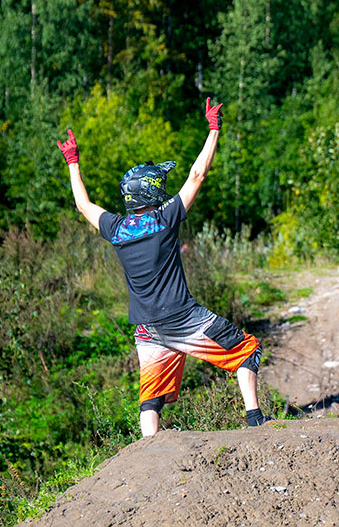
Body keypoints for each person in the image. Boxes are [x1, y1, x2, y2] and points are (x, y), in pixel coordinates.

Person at [56, 98, 270, 436]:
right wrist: (214, 129)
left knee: (151, 397)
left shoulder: (116, 228)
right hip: (182, 318)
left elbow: (83, 206)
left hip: (147, 328)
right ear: (153, 190)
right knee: (247, 350)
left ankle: (148, 455)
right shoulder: (165, 217)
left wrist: (72, 162)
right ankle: (256, 420)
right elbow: (197, 174)